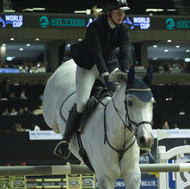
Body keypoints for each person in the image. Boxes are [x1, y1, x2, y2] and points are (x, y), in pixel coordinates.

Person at [54, 0, 132, 159]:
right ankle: (65, 141)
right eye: (118, 12)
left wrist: (125, 74)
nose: (121, 16)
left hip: (109, 64)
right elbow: (97, 54)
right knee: (82, 103)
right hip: (88, 66)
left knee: (124, 97)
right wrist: (105, 77)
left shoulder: (123, 28)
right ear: (109, 12)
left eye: (123, 13)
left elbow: (125, 53)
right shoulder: (95, 27)